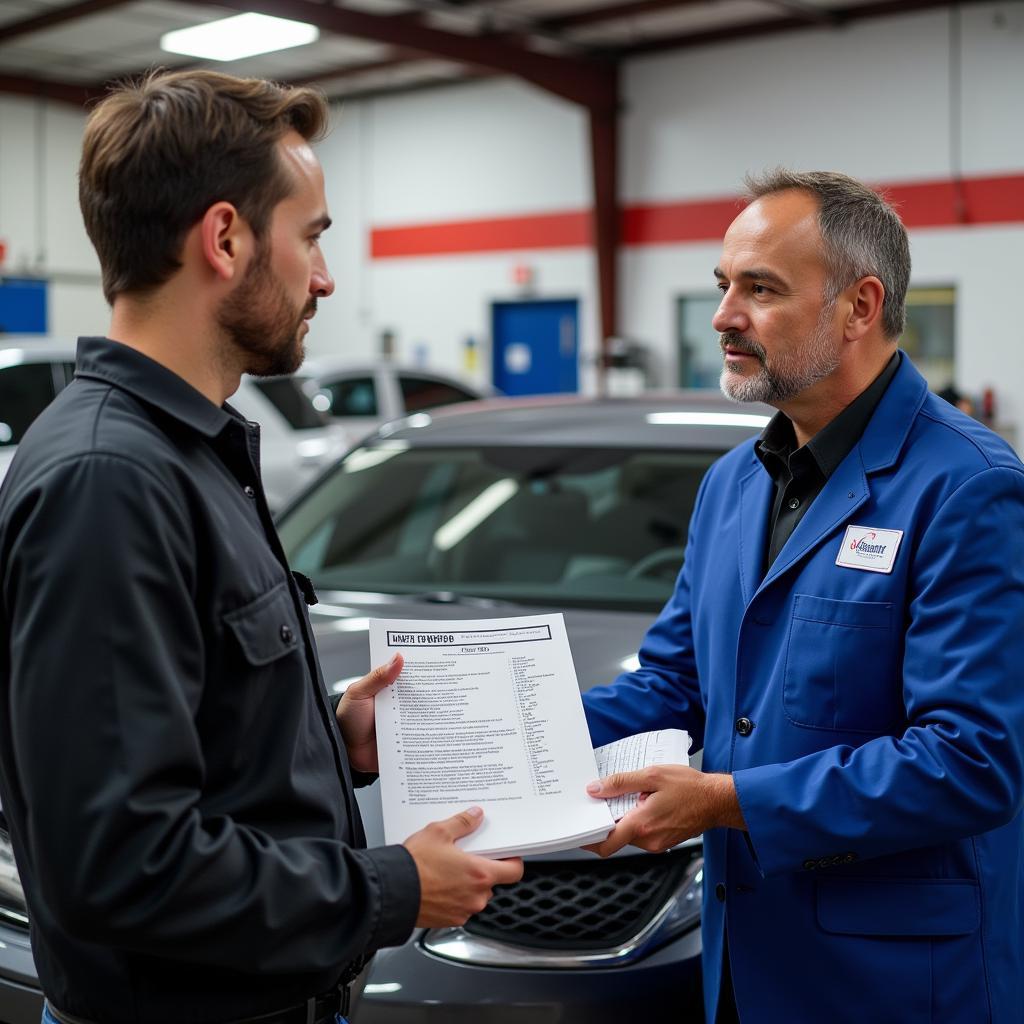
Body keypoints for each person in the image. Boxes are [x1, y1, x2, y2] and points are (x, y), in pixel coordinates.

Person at [0, 70, 521, 1024]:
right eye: (313, 236)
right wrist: (393, 890)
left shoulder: (191, 452)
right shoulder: (109, 480)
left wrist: (329, 734)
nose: (324, 278)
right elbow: (117, 861)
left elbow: (179, 727)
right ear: (227, 238)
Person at [582, 170, 1024, 1024]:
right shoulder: (732, 486)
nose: (722, 317)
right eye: (724, 286)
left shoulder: (968, 488)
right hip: (746, 969)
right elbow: (674, 686)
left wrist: (728, 801)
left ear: (860, 308)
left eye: (761, 289)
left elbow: (971, 762)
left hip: (894, 985)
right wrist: (494, 732)